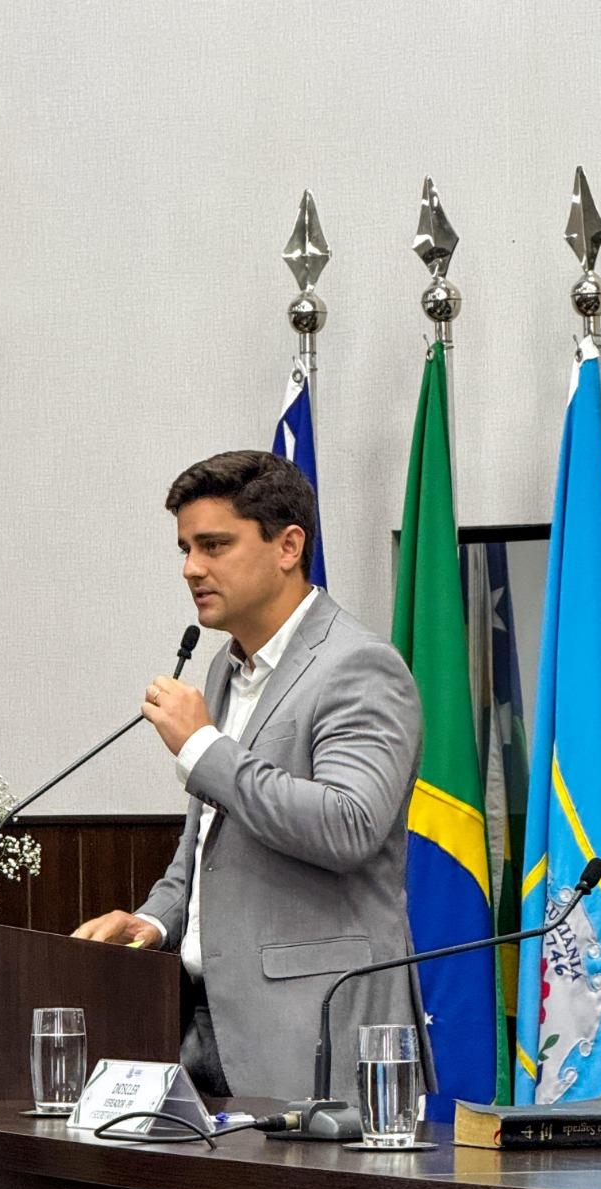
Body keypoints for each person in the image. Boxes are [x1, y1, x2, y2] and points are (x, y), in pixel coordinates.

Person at [72, 449, 430, 1102]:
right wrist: (153, 921)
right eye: (185, 548)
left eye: (214, 545)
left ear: (288, 545)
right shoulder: (222, 669)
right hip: (202, 1022)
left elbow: (350, 826)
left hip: (314, 1031)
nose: (191, 568)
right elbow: (208, 845)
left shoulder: (360, 667)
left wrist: (205, 747)